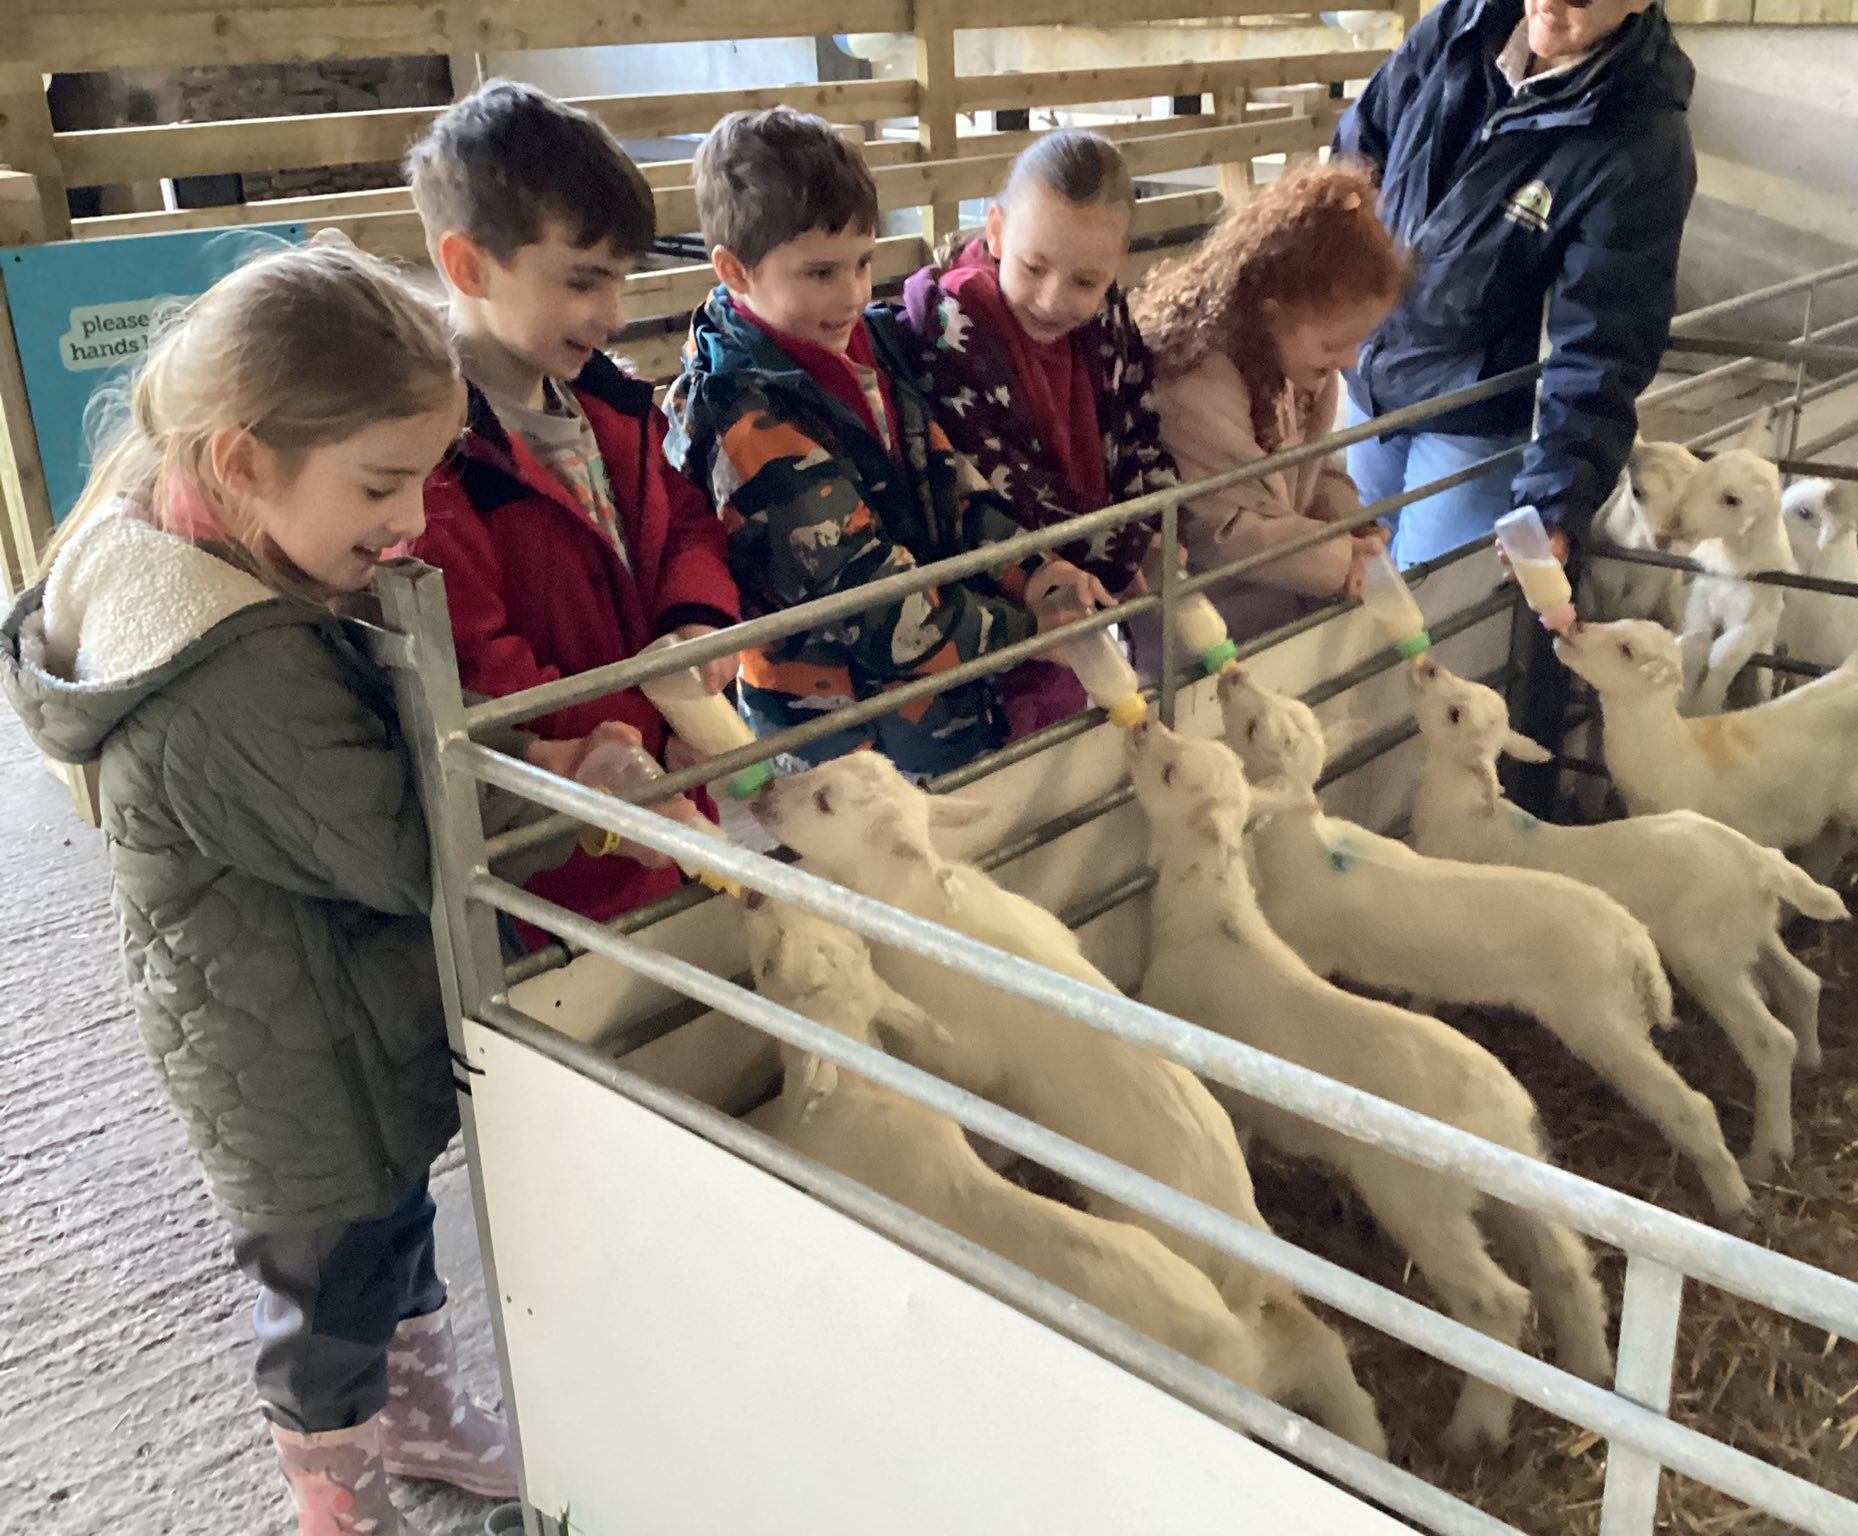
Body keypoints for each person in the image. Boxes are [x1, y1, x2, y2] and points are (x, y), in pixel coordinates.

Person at [0, 241, 627, 1536]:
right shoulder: (226, 678)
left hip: (333, 1016)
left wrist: (525, 748)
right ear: (241, 462)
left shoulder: (238, 554)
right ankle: (333, 1495)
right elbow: (399, 846)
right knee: (328, 1297)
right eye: (382, 486)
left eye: (426, 479)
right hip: (291, 1064)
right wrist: (555, 786)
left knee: (391, 1237)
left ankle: (422, 1418)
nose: (412, 522)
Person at [669, 107, 1096, 779]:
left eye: (862, 263)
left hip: (932, 713)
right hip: (842, 752)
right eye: (820, 273)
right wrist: (1030, 630)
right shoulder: (744, 419)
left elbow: (946, 484)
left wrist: (1034, 570)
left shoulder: (870, 346)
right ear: (735, 271)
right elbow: (877, 605)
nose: (851, 294)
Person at [407, 82, 741, 927]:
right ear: (468, 265)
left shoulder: (608, 402)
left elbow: (684, 521)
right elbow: (482, 665)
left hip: (666, 799)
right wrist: (649, 727)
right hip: (566, 857)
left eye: (620, 282)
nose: (614, 315)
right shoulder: (426, 460)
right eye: (584, 282)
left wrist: (699, 623)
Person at [1332, 0, 1696, 568]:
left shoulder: (1639, 142)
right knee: (1353, 570)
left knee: (1430, 597)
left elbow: (1604, 336)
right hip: (1372, 369)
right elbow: (1362, 143)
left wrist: (1556, 496)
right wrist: (1325, 307)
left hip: (1474, 418)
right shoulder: (1464, 24)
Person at [893, 130, 1179, 738]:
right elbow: (1001, 483)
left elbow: (1139, 425)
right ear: (996, 230)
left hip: (1085, 596)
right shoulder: (950, 336)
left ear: (1119, 258)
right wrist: (1128, 547)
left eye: (1085, 280)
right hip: (1002, 614)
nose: (1053, 299)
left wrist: (1158, 517)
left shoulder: (1109, 319)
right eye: (1033, 267)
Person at [1130, 162, 1407, 655]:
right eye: (1333, 343)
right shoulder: (1195, 379)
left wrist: (1352, 524)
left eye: (1358, 342)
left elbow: (1316, 465)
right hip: (1203, 630)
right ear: (1271, 313)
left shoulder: (1298, 364)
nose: (1349, 360)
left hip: (1277, 609)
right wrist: (1342, 560)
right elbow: (1222, 527)